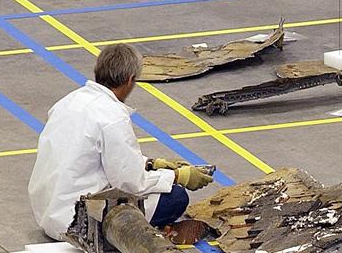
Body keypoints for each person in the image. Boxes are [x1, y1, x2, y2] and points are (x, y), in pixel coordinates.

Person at [28, 43, 213, 241]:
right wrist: (176, 176)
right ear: (130, 80)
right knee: (175, 197)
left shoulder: (68, 101)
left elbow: (91, 154)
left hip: (47, 212)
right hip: (76, 223)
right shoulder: (113, 117)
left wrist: (151, 164)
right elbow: (130, 183)